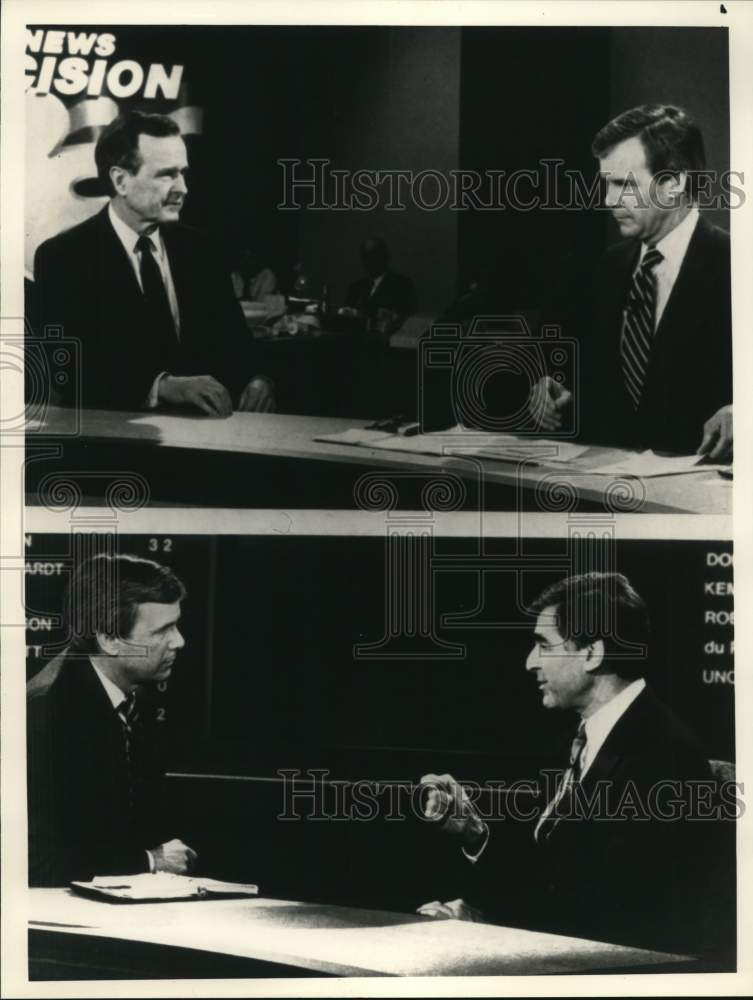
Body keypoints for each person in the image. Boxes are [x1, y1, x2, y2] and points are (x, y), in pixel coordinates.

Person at [418, 573, 731, 957]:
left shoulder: (664, 757)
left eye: (543, 645)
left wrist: (484, 923)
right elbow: (551, 877)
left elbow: (615, 919)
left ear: (592, 653)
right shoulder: (572, 745)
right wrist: (475, 832)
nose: (530, 661)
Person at [32, 111, 275, 417]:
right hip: (115, 444)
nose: (183, 188)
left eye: (183, 173)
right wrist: (162, 387)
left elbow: (237, 345)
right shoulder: (63, 257)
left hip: (207, 441)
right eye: (166, 174)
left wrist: (258, 379)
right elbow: (67, 370)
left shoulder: (201, 250)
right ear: (120, 180)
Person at [528, 105, 732, 458]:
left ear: (673, 183)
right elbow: (591, 384)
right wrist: (554, 391)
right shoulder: (606, 268)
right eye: (606, 184)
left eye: (623, 184)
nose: (608, 200)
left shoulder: (738, 266)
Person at [27, 553, 198, 886]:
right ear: (109, 639)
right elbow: (33, 861)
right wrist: (151, 861)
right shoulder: (45, 716)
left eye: (176, 625)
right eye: (163, 630)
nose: (179, 641)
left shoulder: (133, 698)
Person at [341, 237, 416, 338]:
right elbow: (344, 318)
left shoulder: (402, 285)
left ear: (385, 256)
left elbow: (405, 321)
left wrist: (362, 315)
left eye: (374, 255)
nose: (369, 261)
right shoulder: (356, 287)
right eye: (366, 256)